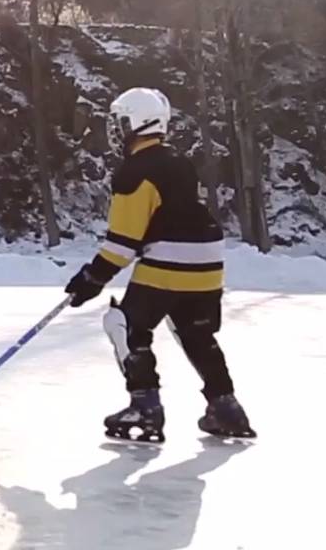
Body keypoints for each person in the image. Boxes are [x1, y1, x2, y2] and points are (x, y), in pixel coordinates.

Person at [65, 88, 255, 442]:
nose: (115, 129)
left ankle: (145, 407)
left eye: (119, 122)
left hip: (171, 258)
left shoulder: (134, 170)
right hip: (209, 258)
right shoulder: (179, 161)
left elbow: (123, 243)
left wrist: (91, 279)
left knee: (123, 324)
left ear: (135, 123)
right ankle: (226, 407)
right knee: (196, 332)